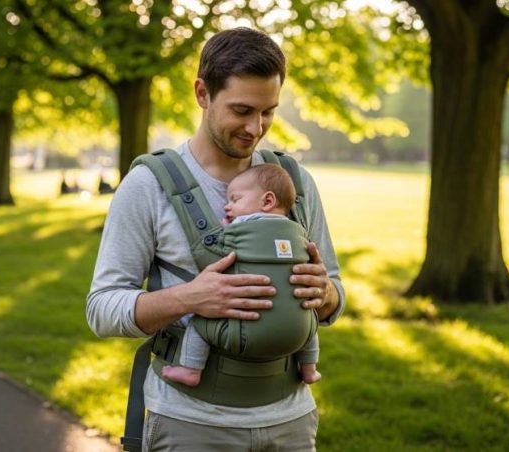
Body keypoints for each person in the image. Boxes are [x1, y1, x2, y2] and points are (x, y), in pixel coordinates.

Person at [87, 27, 343, 451]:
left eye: (268, 112)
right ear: (202, 93)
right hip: (192, 423)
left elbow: (336, 294)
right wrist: (191, 298)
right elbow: (102, 308)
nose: (255, 128)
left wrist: (327, 294)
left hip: (291, 421)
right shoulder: (147, 185)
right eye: (241, 110)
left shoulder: (293, 183)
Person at [161, 164, 322, 388]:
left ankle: (190, 369)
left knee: (198, 324)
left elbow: (213, 246)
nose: (228, 206)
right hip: (297, 333)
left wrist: (226, 227)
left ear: (267, 201)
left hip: (246, 329)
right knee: (308, 320)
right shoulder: (298, 231)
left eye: (235, 200)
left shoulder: (240, 226)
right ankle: (309, 368)